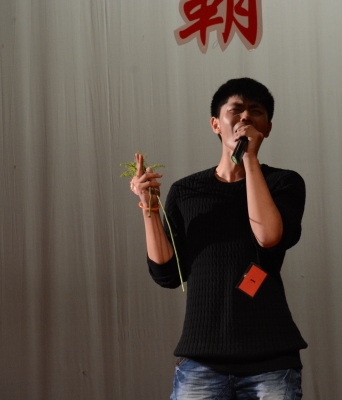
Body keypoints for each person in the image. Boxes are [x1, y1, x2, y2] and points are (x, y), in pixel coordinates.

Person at [130, 77, 307, 399]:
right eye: (236, 110)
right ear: (215, 124)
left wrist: (249, 158)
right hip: (201, 358)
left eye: (256, 111)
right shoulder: (187, 190)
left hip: (271, 358)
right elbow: (167, 274)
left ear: (267, 128)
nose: (245, 117)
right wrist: (150, 208)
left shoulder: (283, 183)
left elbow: (269, 237)